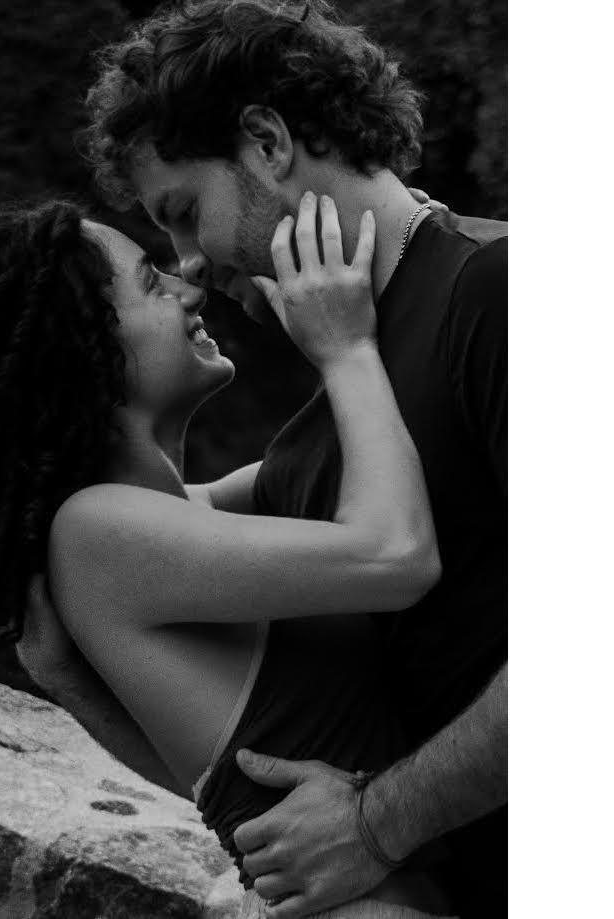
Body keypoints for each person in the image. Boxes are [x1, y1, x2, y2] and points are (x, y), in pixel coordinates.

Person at [0, 196, 457, 917]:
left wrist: (407, 240)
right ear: (83, 348)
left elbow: (222, 783)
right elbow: (394, 554)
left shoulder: (178, 520)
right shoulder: (98, 531)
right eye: (150, 283)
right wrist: (344, 349)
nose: (187, 288)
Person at [82, 1, 507, 916]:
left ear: (267, 142)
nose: (189, 264)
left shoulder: (497, 291)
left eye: (184, 213)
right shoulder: (340, 401)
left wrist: (376, 823)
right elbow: (154, 532)